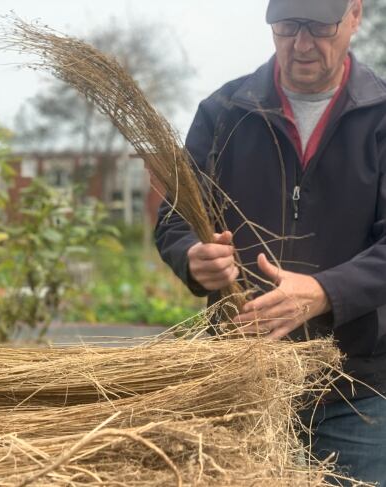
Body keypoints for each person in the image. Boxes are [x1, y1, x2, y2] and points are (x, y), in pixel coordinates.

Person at [155, 0, 386, 484]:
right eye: (286, 27)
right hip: (239, 376)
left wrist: (325, 293)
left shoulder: (381, 116)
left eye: (320, 27)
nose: (301, 45)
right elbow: (175, 219)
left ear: (355, 15)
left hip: (357, 385)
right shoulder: (223, 112)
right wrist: (192, 258)